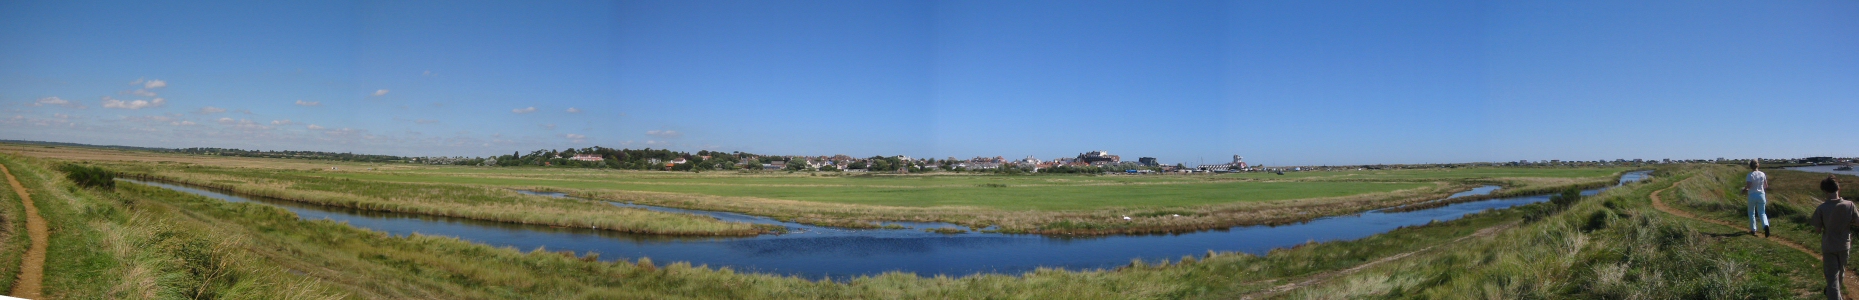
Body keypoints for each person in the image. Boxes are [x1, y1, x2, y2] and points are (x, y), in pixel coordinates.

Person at [1812, 175, 1857, 300]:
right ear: (1838, 188)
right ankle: (1834, 293)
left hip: (1829, 245)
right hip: (1844, 245)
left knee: (1831, 276)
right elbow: (1857, 222)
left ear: (1825, 191)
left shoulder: (1821, 208)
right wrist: (1849, 222)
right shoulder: (1850, 205)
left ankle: (1833, 294)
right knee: (1841, 273)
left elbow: (1817, 229)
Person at [1744, 160, 1772, 236]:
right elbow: (1766, 186)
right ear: (1758, 165)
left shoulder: (1750, 175)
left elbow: (1748, 187)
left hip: (1752, 195)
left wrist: (1744, 189)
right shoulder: (1762, 174)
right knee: (1762, 212)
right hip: (1761, 195)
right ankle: (1765, 225)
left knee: (1751, 212)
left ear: (1750, 166)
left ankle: (1753, 229)